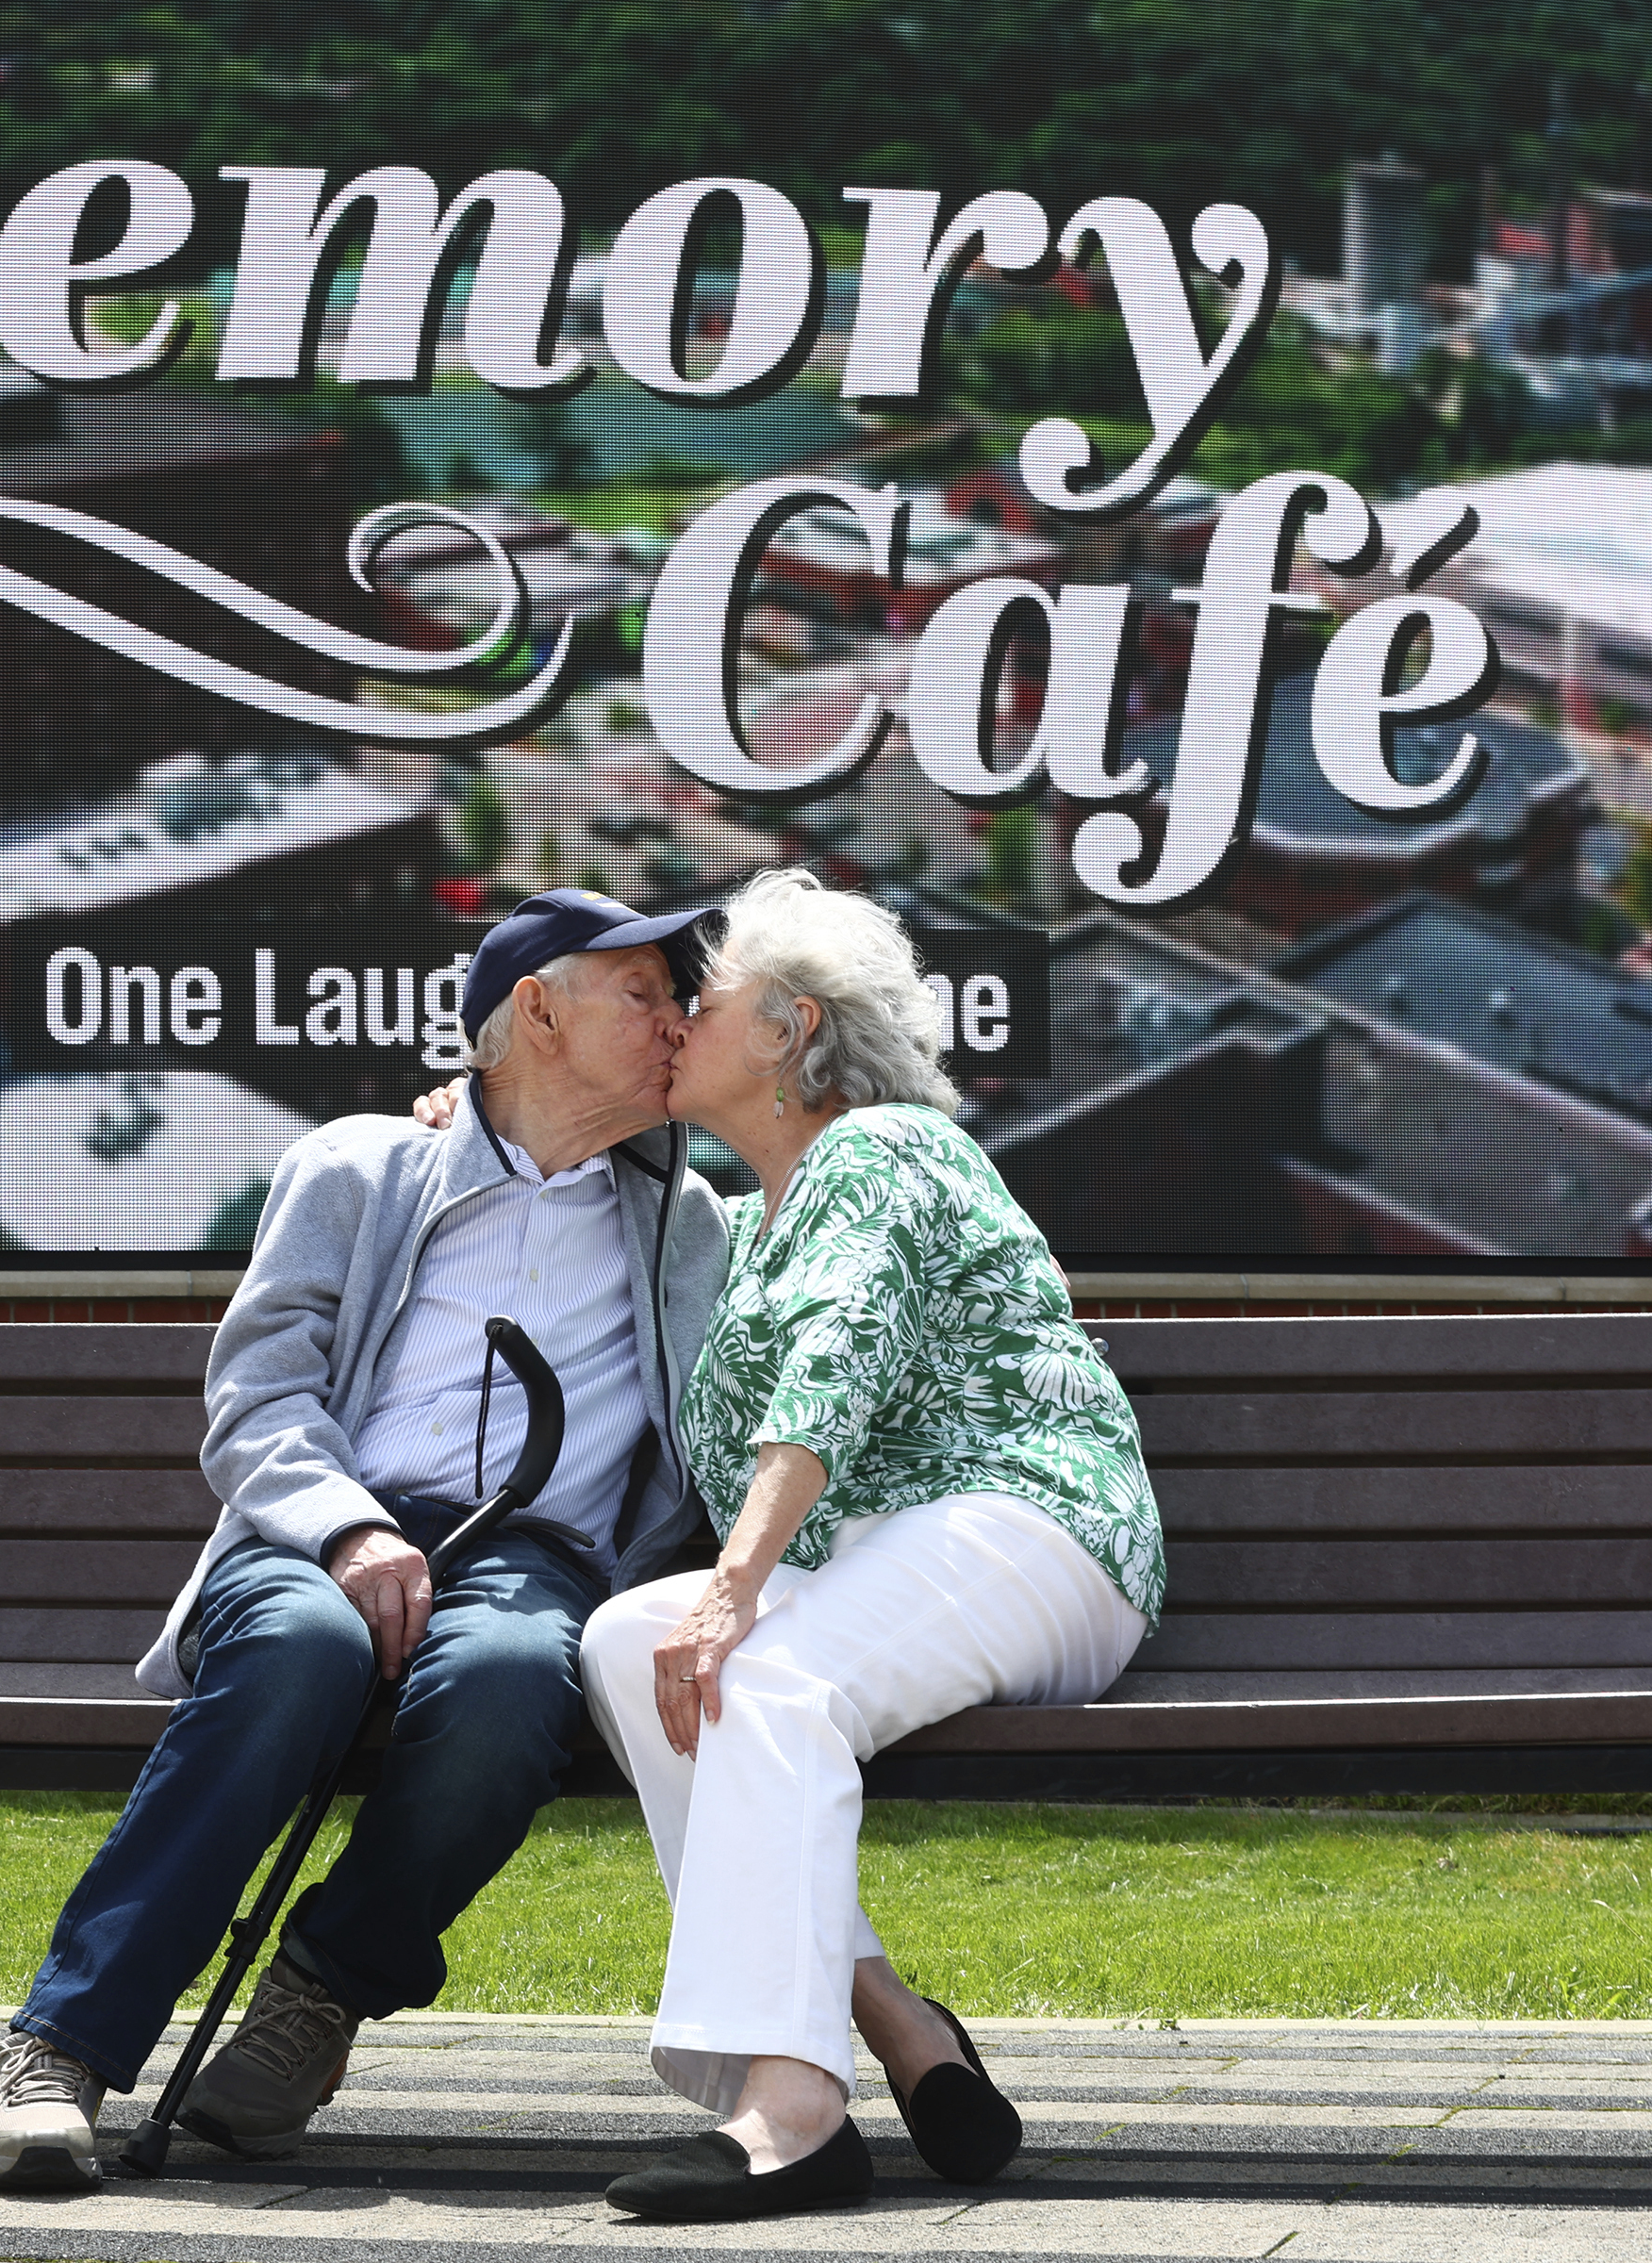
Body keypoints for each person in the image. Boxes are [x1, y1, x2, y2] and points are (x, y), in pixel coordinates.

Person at [0, 888, 731, 2193]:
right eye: (647, 993)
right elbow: (259, 1398)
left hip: (534, 1556)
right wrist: (351, 1532)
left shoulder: (688, 1221)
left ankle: (317, 1996)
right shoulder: (362, 1166)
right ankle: (61, 2050)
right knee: (298, 1657)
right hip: (325, 1529)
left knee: (505, 1682)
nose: (680, 1020)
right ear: (537, 1011)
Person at [586, 868, 1163, 2222]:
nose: (673, 1020)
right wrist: (468, 1112)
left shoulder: (886, 1150)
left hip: (1037, 1526)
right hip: (894, 1559)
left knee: (767, 1678)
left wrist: (733, 1591)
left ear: (791, 1028)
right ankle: (901, 2027)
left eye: (702, 1000)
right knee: (625, 1642)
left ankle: (792, 2113)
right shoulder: (755, 1221)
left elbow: (838, 1362)